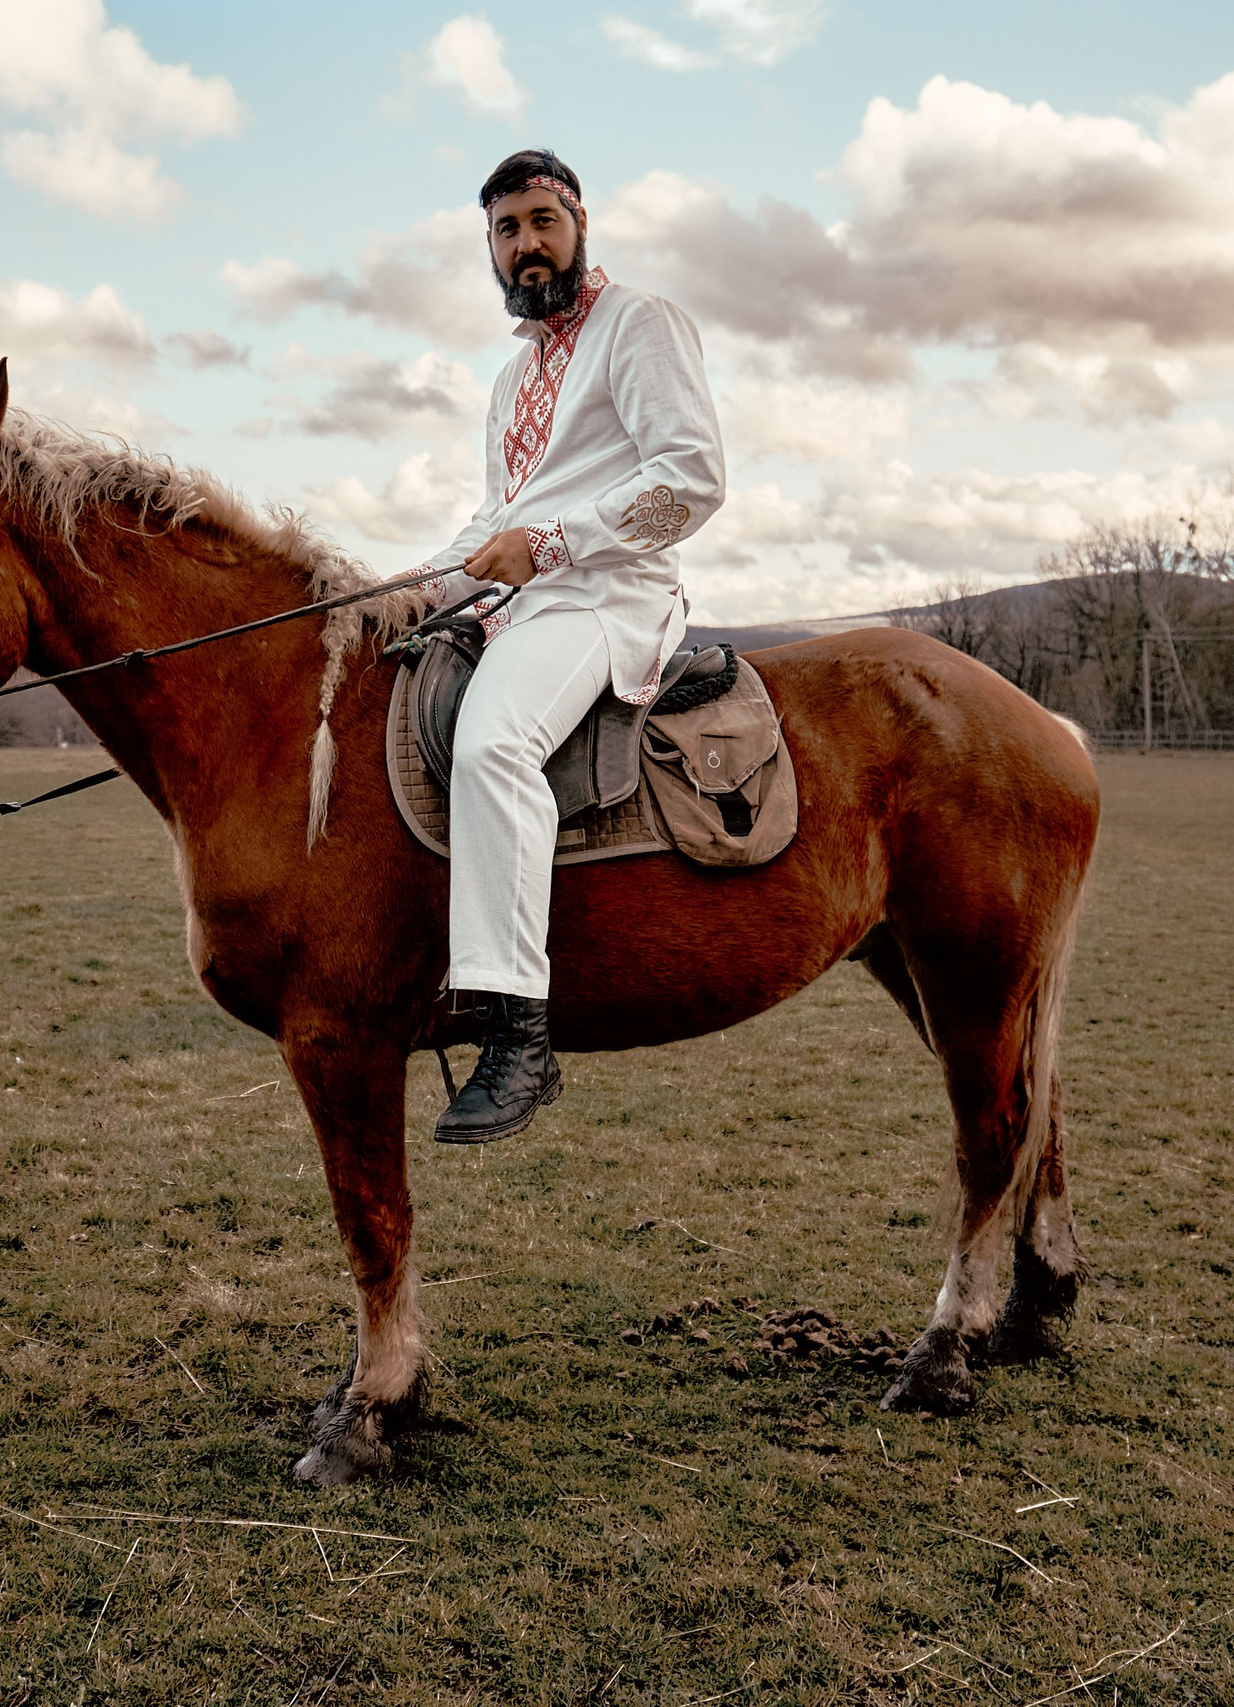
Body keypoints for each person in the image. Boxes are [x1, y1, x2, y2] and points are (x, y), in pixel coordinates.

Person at [416, 148, 727, 1144]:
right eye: (506, 230)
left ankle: (518, 1034)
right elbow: (494, 519)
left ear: (579, 222)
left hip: (609, 595)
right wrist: (414, 588)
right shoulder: (511, 378)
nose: (526, 244)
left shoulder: (639, 323)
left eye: (541, 221)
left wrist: (551, 543)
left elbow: (691, 477)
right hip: (523, 602)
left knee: (494, 742)